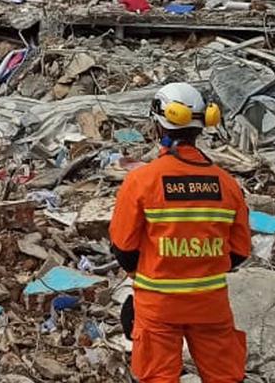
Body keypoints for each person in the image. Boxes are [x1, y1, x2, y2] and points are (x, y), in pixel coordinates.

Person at [109, 82, 251, 383]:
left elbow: (123, 249)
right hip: (211, 304)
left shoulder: (142, 181)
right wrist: (200, 267)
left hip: (157, 305)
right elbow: (239, 252)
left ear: (158, 124)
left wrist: (160, 269)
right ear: (202, 125)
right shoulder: (226, 184)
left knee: (159, 377)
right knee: (226, 377)